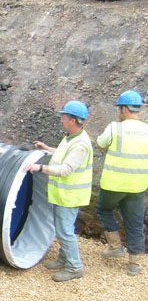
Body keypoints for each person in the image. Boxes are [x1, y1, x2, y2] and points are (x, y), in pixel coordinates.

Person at [24, 101, 93, 282]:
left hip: (69, 196)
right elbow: (64, 154)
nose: (61, 120)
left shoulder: (81, 144)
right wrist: (47, 148)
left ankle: (74, 267)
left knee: (64, 232)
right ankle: (64, 258)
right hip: (63, 194)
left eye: (64, 117)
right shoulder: (72, 138)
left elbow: (66, 169)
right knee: (65, 228)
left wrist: (39, 168)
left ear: (72, 120)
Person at [95, 90, 148, 276]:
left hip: (114, 184)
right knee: (134, 222)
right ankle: (135, 263)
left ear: (124, 109)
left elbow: (100, 144)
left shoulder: (114, 128)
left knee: (103, 209)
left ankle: (115, 246)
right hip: (138, 186)